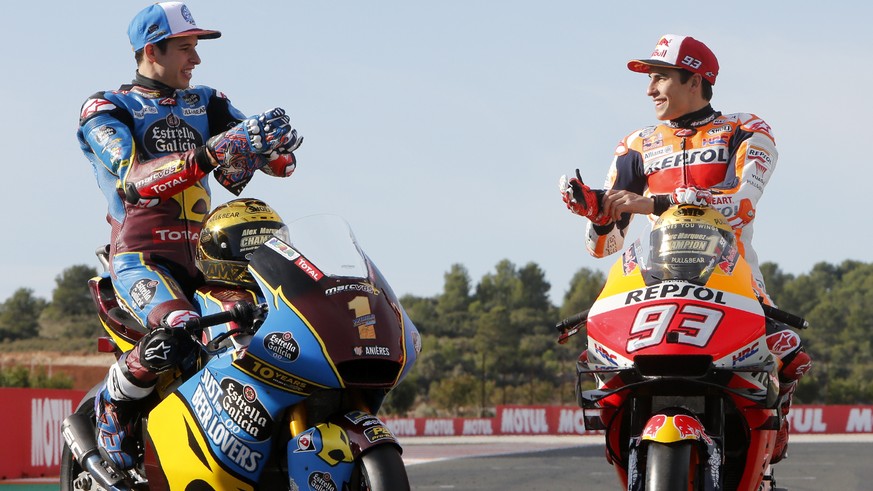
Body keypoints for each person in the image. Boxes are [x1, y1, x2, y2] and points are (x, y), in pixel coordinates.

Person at [559, 34, 811, 463]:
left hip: (732, 276)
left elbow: (741, 204)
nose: (649, 89)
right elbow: (605, 247)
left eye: (659, 77)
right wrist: (598, 216)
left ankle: (777, 415)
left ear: (694, 79)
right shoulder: (636, 144)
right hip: (651, 280)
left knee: (787, 351)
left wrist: (655, 202)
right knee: (603, 360)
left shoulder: (746, 129)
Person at [77, 2, 302, 470]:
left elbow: (270, 165)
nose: (195, 59)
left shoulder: (208, 101)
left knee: (266, 326)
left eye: (196, 48)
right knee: (177, 332)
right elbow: (133, 179)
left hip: (210, 259)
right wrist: (209, 153)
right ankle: (112, 408)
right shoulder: (105, 107)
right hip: (141, 257)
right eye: (185, 48)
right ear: (151, 49)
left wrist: (273, 150)